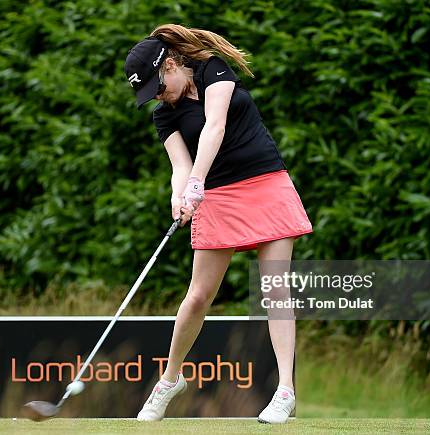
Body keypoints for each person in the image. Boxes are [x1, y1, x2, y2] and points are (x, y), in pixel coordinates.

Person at [124, 24, 313, 424]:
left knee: (274, 286)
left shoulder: (214, 69)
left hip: (265, 182)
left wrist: (196, 182)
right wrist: (180, 194)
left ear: (171, 65)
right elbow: (180, 164)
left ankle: (285, 391)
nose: (157, 97)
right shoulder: (164, 116)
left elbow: (215, 126)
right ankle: (170, 380)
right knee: (197, 296)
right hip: (217, 196)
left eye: (157, 87)